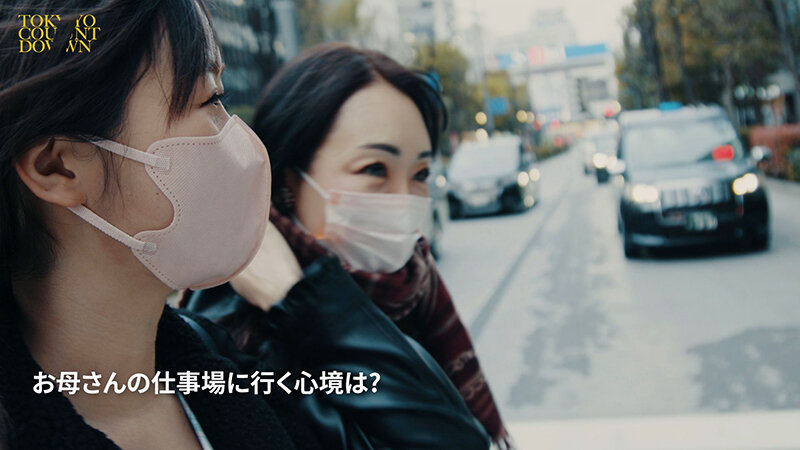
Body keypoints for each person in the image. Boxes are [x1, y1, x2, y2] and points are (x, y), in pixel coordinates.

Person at [0, 1, 488, 449]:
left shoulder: (220, 370)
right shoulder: (237, 340)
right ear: (58, 168)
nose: (241, 139)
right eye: (211, 99)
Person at [184, 43, 511, 447]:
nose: (403, 199)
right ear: (289, 181)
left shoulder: (416, 295)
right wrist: (310, 304)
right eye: (374, 168)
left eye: (420, 174)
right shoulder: (236, 338)